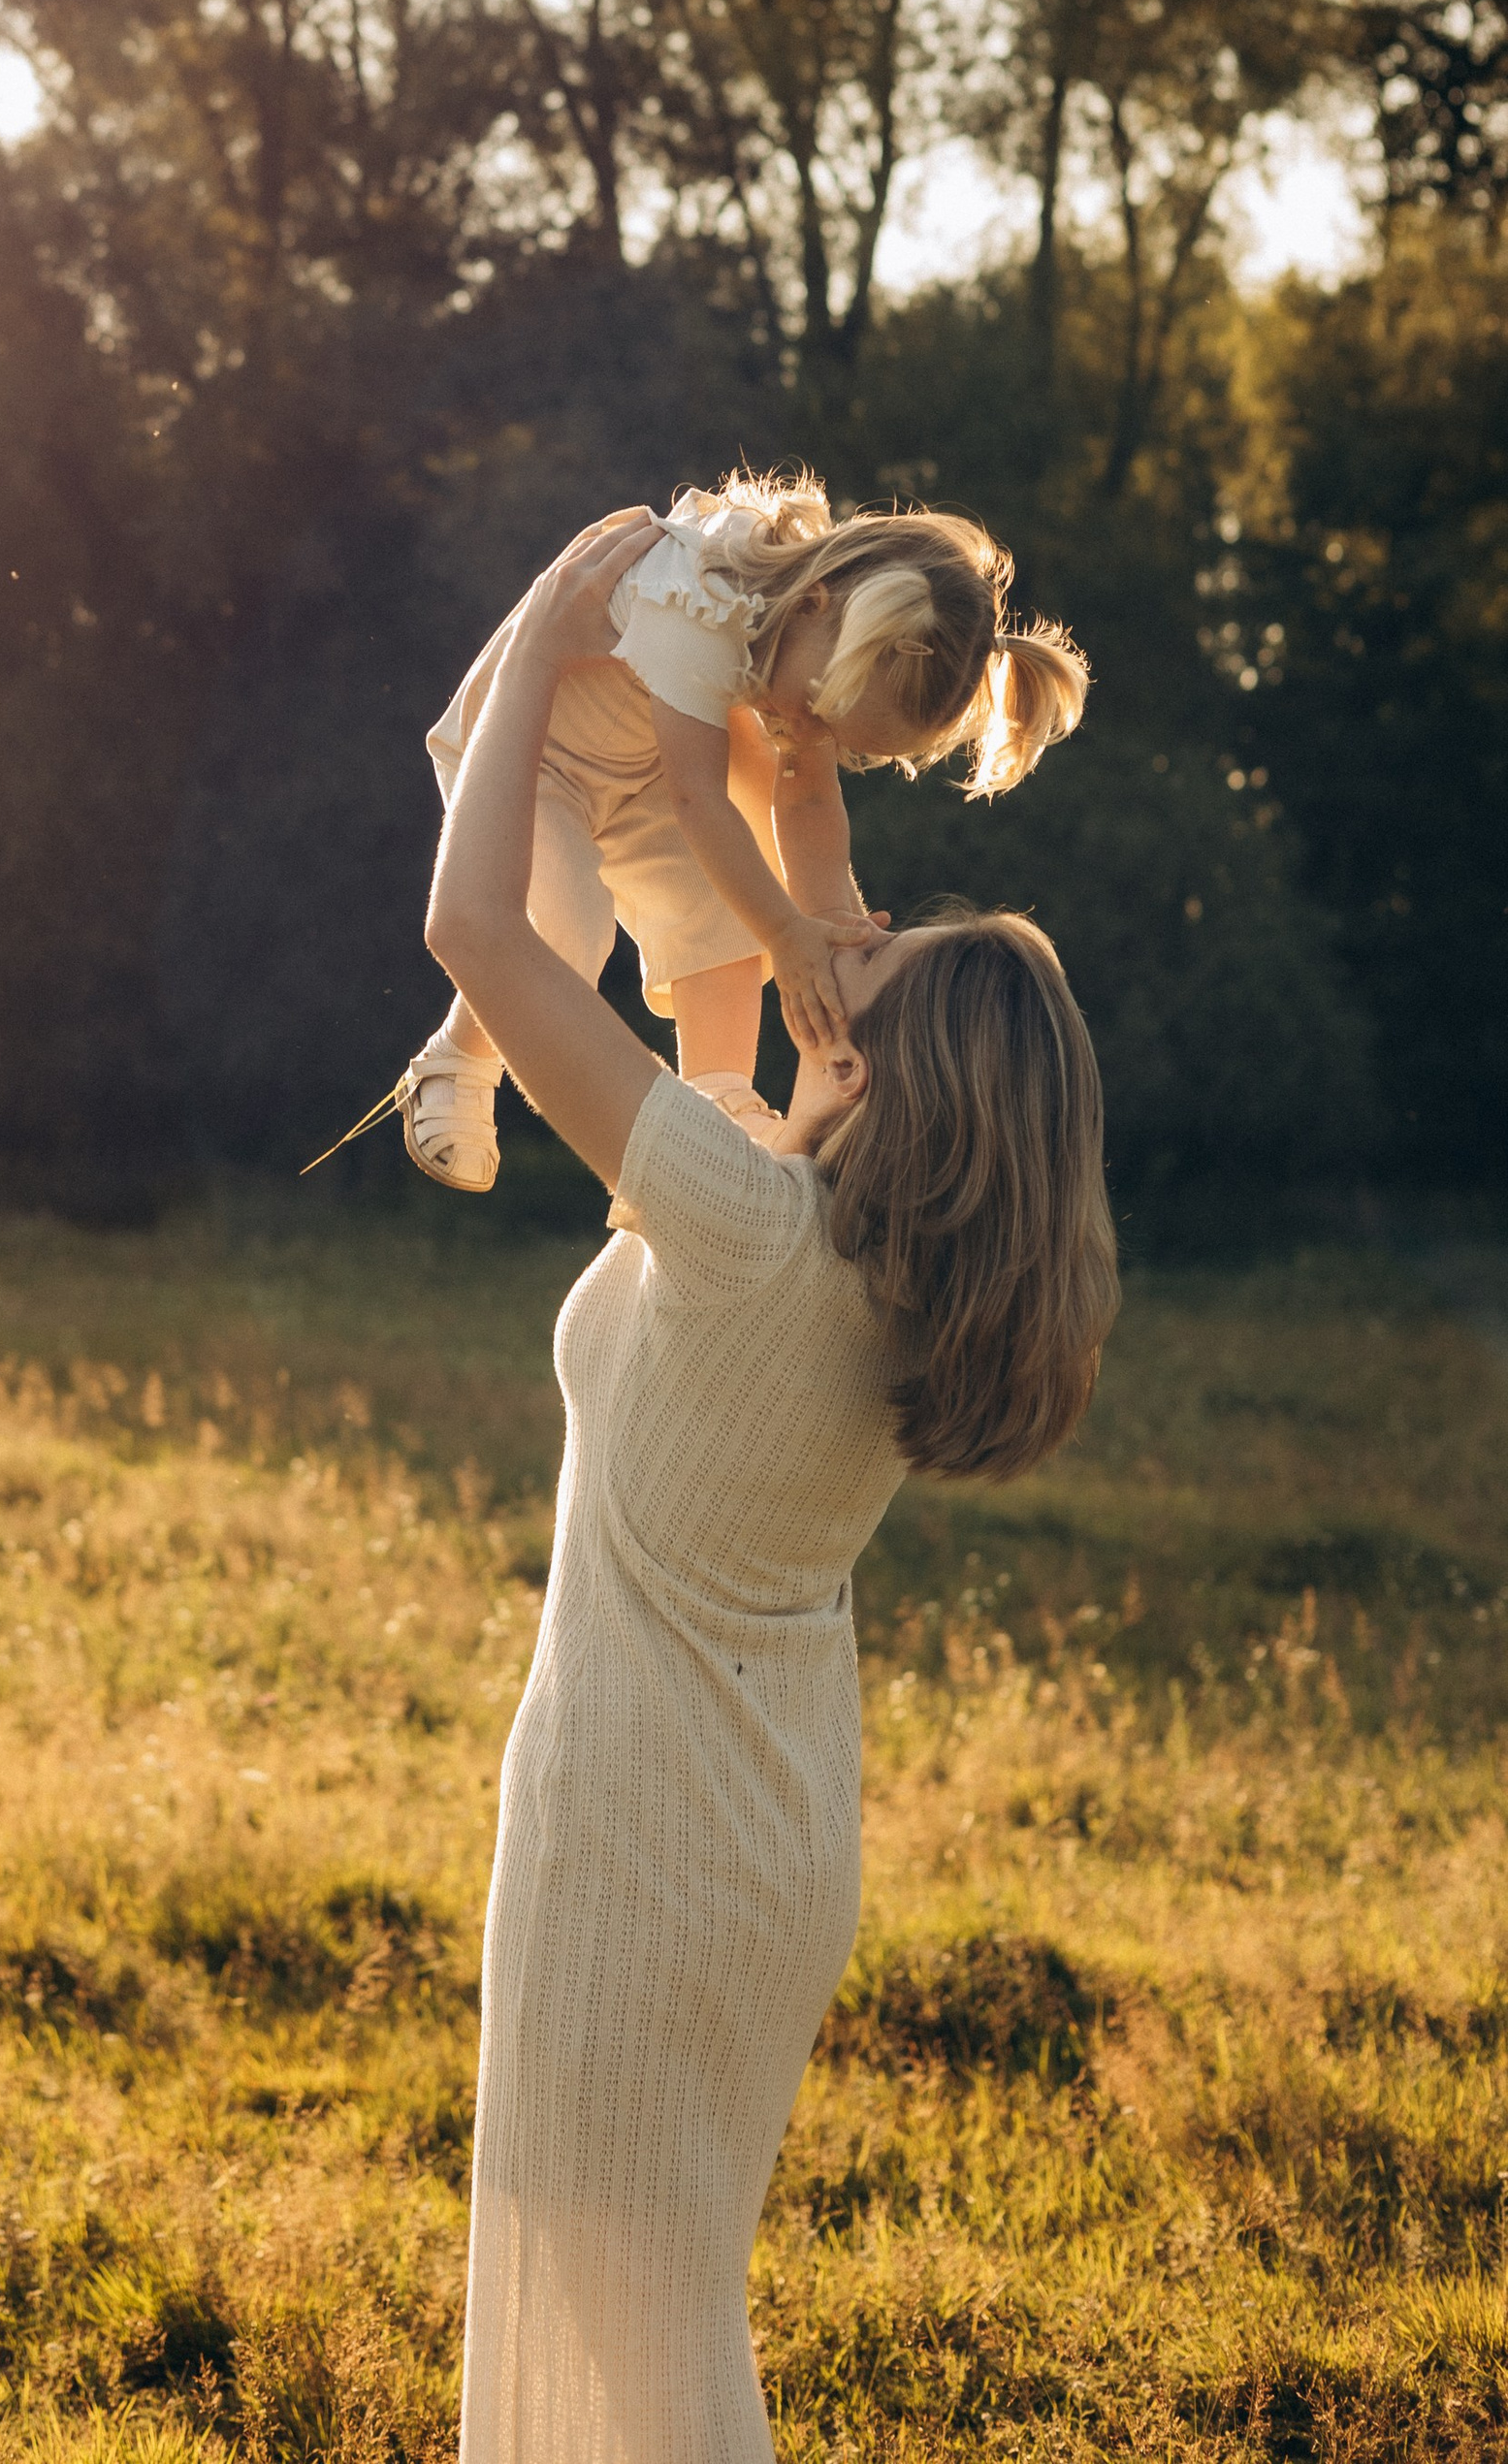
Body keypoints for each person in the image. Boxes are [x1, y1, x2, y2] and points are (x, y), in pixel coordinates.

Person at [427, 511, 1118, 2464]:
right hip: (762, 1836)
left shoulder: (741, 1222)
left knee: (635, 2341)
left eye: (878, 961)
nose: (849, 939)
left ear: (885, 1075)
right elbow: (748, 886)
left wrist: (532, 643)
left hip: (641, 1834)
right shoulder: (882, 1281)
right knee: (655, 2308)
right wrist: (757, 765)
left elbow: (476, 935)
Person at [394, 471, 1087, 1192]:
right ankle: (458, 1060)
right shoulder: (702, 595)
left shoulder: (814, 639)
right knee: (571, 925)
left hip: (644, 772)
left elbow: (808, 803)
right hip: (535, 758)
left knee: (729, 905)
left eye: (834, 731)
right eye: (817, 709)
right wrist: (787, 933)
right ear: (815, 602)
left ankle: (719, 1092)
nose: (807, 730)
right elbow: (700, 801)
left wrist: (831, 939)